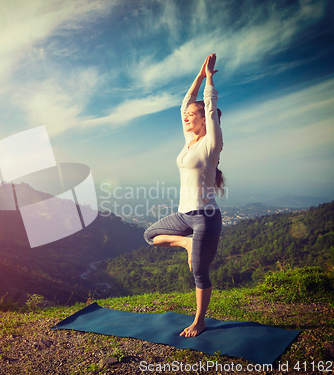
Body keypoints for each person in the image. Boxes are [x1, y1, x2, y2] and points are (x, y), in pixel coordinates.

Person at [143, 53, 224, 338]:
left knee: (199, 274)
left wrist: (210, 80)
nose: (187, 117)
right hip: (183, 216)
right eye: (187, 116)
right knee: (150, 236)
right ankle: (186, 244)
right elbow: (183, 105)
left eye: (193, 115)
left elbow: (211, 106)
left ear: (205, 120)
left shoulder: (211, 144)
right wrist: (199, 74)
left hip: (206, 218)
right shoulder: (189, 142)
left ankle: (199, 320)